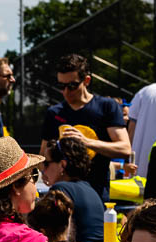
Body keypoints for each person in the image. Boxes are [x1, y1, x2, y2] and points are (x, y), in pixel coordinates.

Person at [39, 54, 130, 200]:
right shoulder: (54, 113)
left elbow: (125, 149)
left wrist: (86, 142)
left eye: (72, 85)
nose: (66, 91)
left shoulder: (106, 106)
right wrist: (45, 172)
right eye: (61, 86)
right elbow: (43, 155)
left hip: (97, 192)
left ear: (86, 81)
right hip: (62, 196)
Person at [39, 137, 105, 242]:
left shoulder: (60, 190)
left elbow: (53, 235)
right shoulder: (90, 189)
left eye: (46, 163)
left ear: (62, 165)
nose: (43, 169)